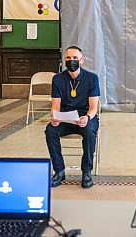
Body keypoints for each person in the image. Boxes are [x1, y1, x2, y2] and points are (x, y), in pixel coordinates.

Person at [45, 46, 100, 189]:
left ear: (82, 60)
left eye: (75, 58)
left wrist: (87, 117)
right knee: (50, 131)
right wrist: (54, 117)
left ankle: (86, 172)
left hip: (85, 118)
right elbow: (55, 106)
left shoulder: (92, 78)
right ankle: (59, 171)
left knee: (89, 131)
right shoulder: (57, 79)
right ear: (64, 60)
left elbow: (94, 107)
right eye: (68, 58)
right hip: (66, 118)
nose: (71, 61)